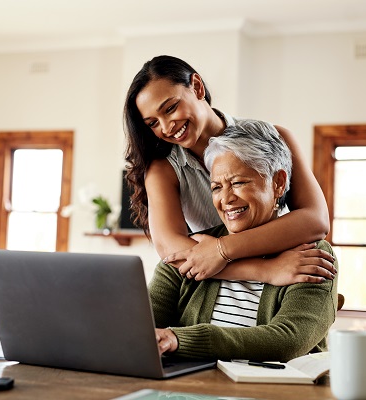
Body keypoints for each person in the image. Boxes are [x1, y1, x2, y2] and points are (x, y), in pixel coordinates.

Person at [124, 55, 335, 284]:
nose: (166, 127)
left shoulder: (276, 137)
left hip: (292, 268)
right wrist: (265, 271)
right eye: (153, 123)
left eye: (171, 108)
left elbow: (316, 220)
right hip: (222, 285)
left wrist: (222, 249)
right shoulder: (163, 169)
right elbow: (171, 250)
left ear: (196, 86)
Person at [149, 119, 338, 361]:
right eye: (216, 187)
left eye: (238, 183)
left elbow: (288, 341)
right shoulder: (195, 251)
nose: (225, 199)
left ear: (278, 183)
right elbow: (142, 326)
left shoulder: (312, 255)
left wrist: (180, 339)